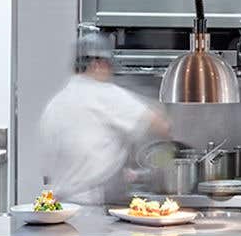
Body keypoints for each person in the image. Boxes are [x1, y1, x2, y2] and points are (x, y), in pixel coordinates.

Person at [37, 29, 168, 206]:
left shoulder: (56, 102)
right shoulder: (104, 94)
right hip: (93, 207)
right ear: (97, 64)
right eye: (108, 64)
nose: (110, 71)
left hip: (60, 207)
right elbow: (159, 125)